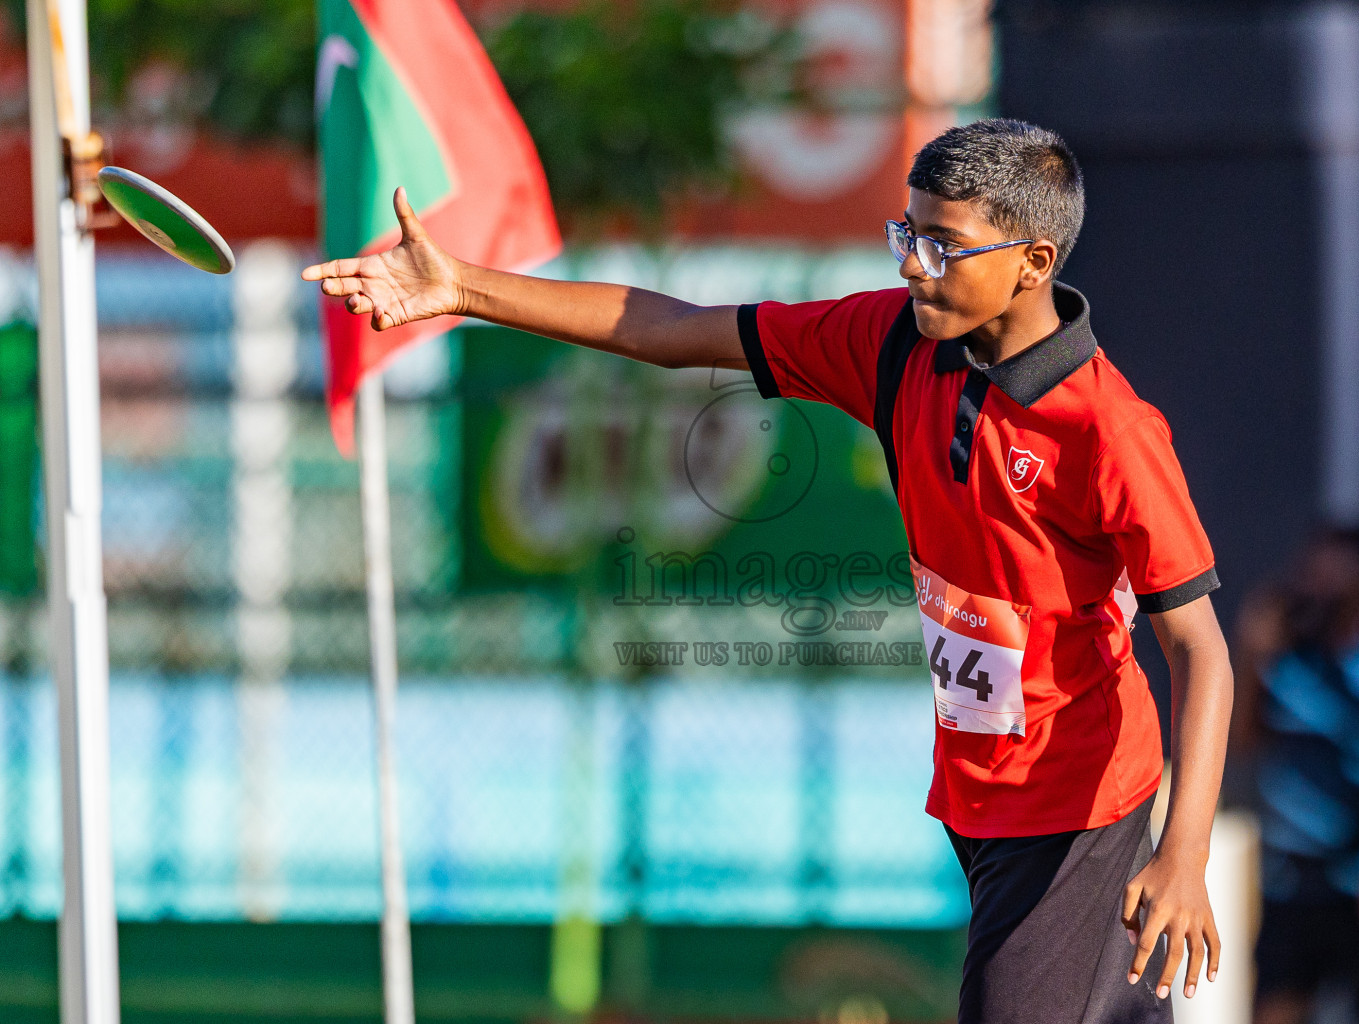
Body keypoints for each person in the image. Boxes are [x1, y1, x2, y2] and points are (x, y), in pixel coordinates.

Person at [304, 118, 1234, 1024]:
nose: (912, 263)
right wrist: (464, 289)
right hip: (979, 789)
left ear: (1033, 262)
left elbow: (1200, 649)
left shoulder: (1108, 430)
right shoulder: (893, 344)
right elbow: (673, 328)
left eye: (944, 246)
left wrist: (1184, 852)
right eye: (907, 234)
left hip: (1077, 807)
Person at [1231, 527, 1359, 1024]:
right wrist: (1251, 651)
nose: (1320, 582)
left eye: (1336, 568)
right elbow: (1244, 743)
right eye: (1313, 568)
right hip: (1290, 881)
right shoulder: (1289, 658)